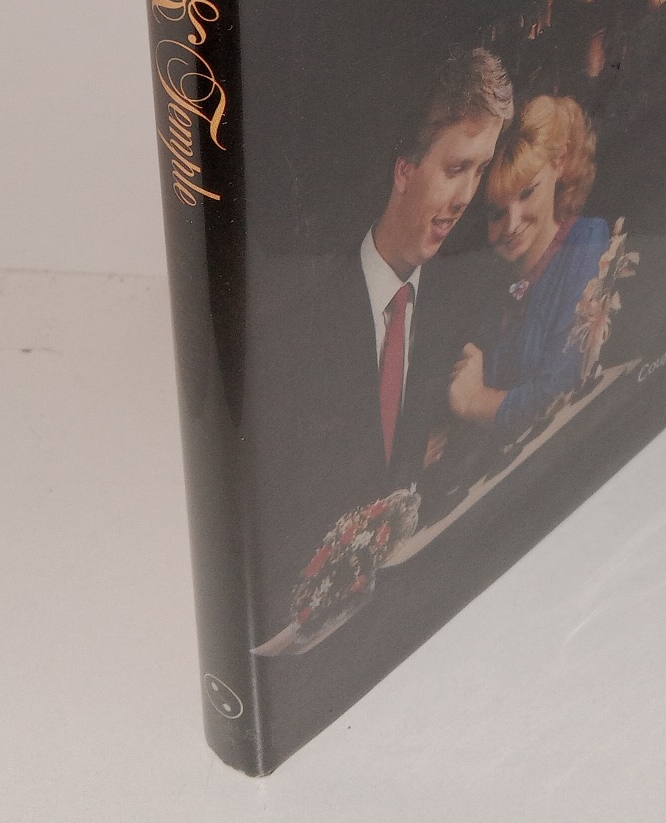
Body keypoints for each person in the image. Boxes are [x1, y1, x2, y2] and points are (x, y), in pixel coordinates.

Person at [245, 46, 512, 636]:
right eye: (455, 168)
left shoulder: (467, 301)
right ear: (404, 171)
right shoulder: (298, 320)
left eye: (480, 170)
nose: (468, 195)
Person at [447, 95, 611, 443]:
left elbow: (560, 393)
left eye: (526, 194)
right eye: (496, 213)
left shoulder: (586, 242)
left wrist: (476, 402)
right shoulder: (496, 287)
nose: (511, 224)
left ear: (559, 162)